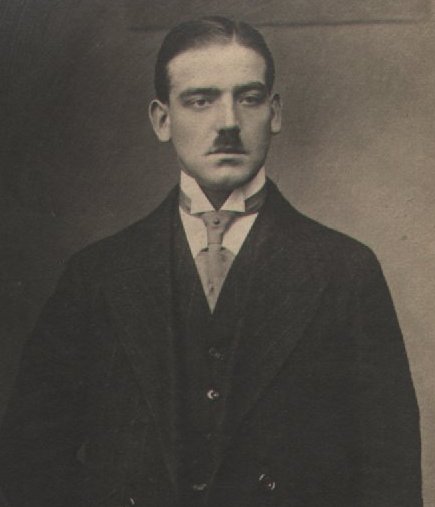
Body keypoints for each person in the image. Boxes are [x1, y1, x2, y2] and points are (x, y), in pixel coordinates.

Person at [0, 16, 422, 507]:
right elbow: (30, 459)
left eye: (249, 98)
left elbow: (390, 476)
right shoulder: (96, 276)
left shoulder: (346, 271)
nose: (228, 123)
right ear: (162, 120)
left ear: (275, 112)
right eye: (200, 100)